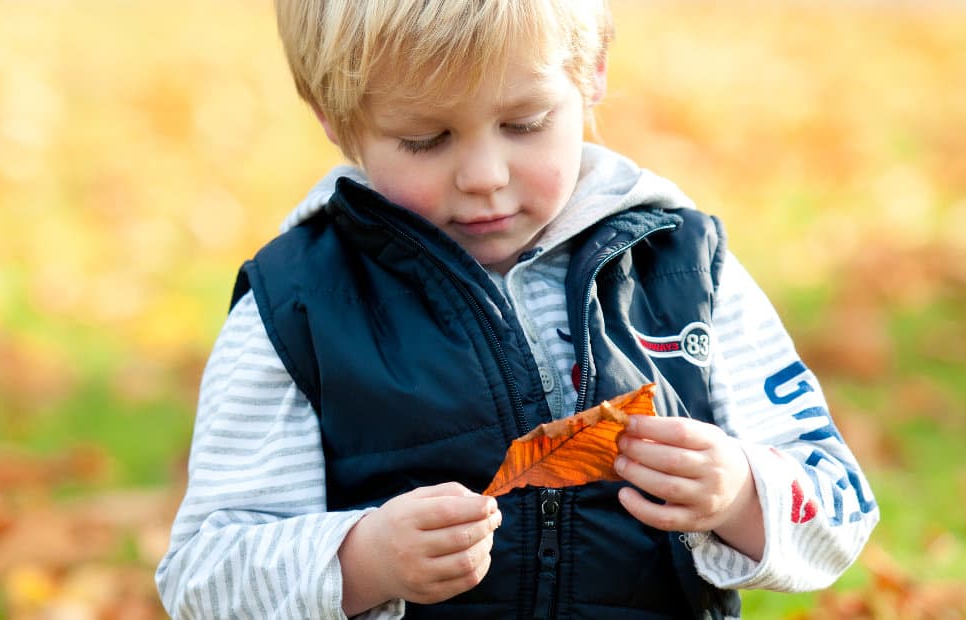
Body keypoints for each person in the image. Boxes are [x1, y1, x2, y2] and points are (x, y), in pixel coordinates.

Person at [156, 1, 879, 618]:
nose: (484, 177)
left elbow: (840, 510)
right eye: (425, 140)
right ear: (336, 118)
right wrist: (362, 560)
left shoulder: (683, 270)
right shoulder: (299, 307)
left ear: (591, 69)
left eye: (525, 123)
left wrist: (739, 493)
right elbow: (202, 576)